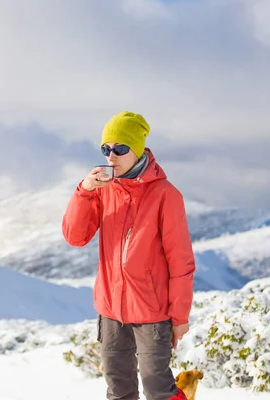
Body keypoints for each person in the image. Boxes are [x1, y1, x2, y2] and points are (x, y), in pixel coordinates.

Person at [62, 111, 196, 400]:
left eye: (120, 149)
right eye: (105, 149)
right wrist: (84, 192)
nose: (111, 156)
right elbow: (75, 237)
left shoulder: (166, 195)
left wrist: (180, 315)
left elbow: (181, 260)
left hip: (152, 312)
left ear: (136, 150)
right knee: (118, 388)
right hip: (111, 311)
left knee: (157, 388)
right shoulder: (102, 189)